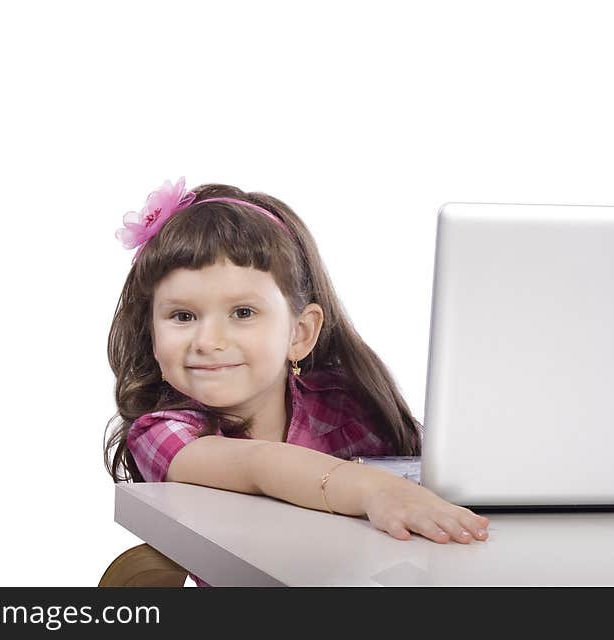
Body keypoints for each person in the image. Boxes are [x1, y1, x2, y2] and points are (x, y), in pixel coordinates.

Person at [104, 177, 490, 586]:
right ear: (151, 335)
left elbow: (443, 474)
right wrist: (371, 488)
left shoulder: (346, 406)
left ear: (300, 333)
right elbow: (258, 464)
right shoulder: (163, 432)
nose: (208, 342)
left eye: (243, 313)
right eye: (182, 316)